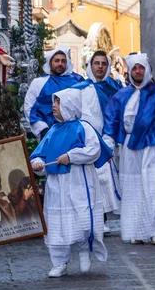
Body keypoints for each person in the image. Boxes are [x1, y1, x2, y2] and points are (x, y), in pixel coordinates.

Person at [103, 53, 155, 245]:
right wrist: (107, 146)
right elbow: (111, 122)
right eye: (134, 68)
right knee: (133, 189)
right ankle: (137, 230)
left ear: (147, 69)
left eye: (141, 67)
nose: (138, 71)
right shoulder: (120, 97)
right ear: (129, 71)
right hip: (130, 149)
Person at [30, 89, 112, 278]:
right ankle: (59, 262)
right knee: (56, 222)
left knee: (81, 217)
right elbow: (40, 155)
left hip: (78, 181)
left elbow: (94, 150)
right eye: (54, 102)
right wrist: (38, 165)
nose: (54, 105)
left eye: (58, 102)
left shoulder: (84, 127)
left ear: (69, 104)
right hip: (56, 185)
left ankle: (84, 249)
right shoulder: (52, 130)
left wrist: (71, 156)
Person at [72, 51, 124, 232]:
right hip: (86, 140)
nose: (100, 67)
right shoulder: (80, 88)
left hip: (108, 140)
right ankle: (90, 219)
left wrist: (111, 139)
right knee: (88, 180)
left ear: (107, 66)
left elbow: (119, 115)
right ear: (90, 65)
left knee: (105, 181)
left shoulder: (115, 88)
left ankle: (102, 219)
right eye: (96, 63)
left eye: (103, 63)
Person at [24, 46, 84, 139]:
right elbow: (29, 107)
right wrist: (42, 129)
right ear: (50, 62)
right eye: (57, 61)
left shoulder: (77, 81)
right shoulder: (39, 83)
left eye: (63, 61)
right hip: (48, 134)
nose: (60, 64)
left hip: (74, 133)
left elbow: (84, 105)